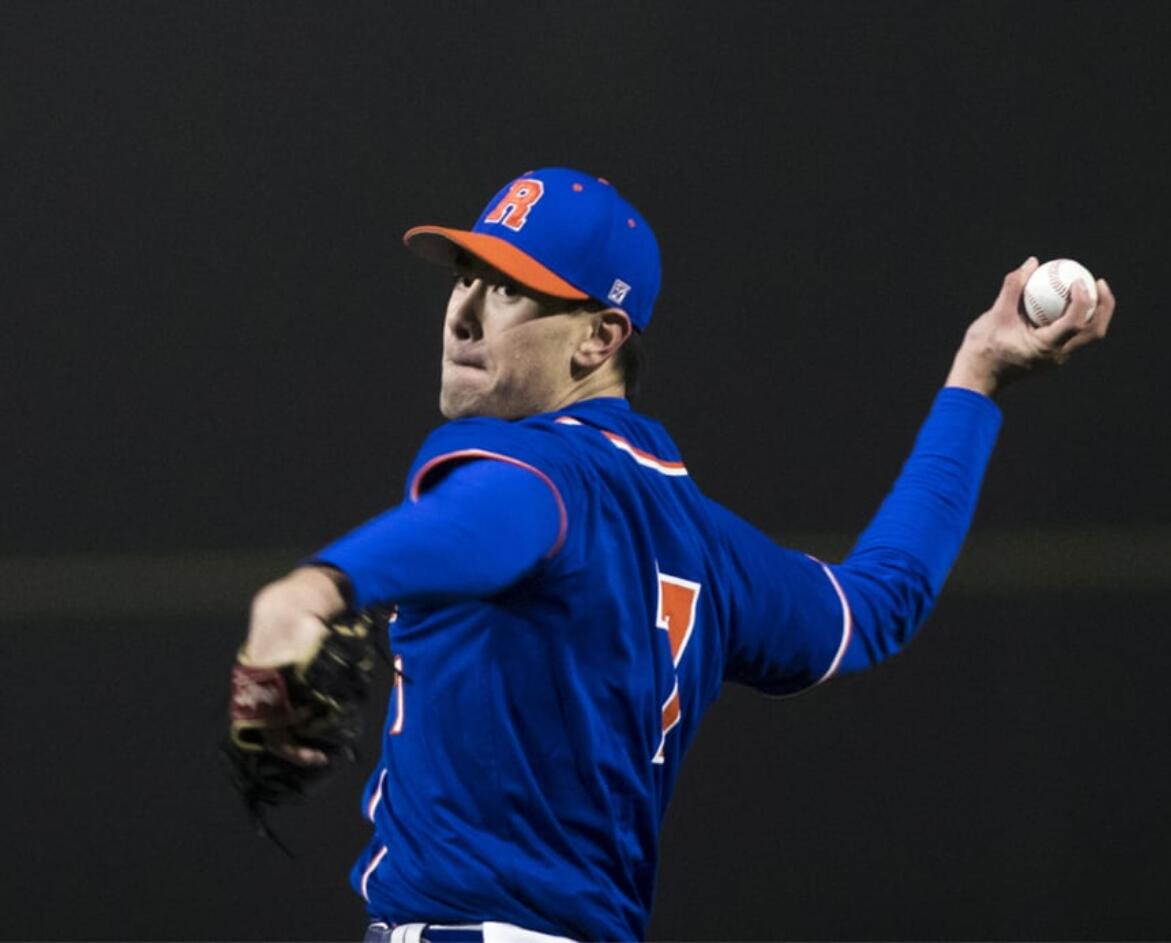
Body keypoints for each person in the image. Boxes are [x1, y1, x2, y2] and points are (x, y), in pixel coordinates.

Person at [240, 167, 1115, 943]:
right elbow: (877, 602)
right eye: (465, 277)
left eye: (506, 290)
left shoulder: (529, 468)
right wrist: (977, 379)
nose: (463, 313)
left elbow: (493, 518)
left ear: (598, 339)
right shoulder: (702, 539)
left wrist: (316, 588)